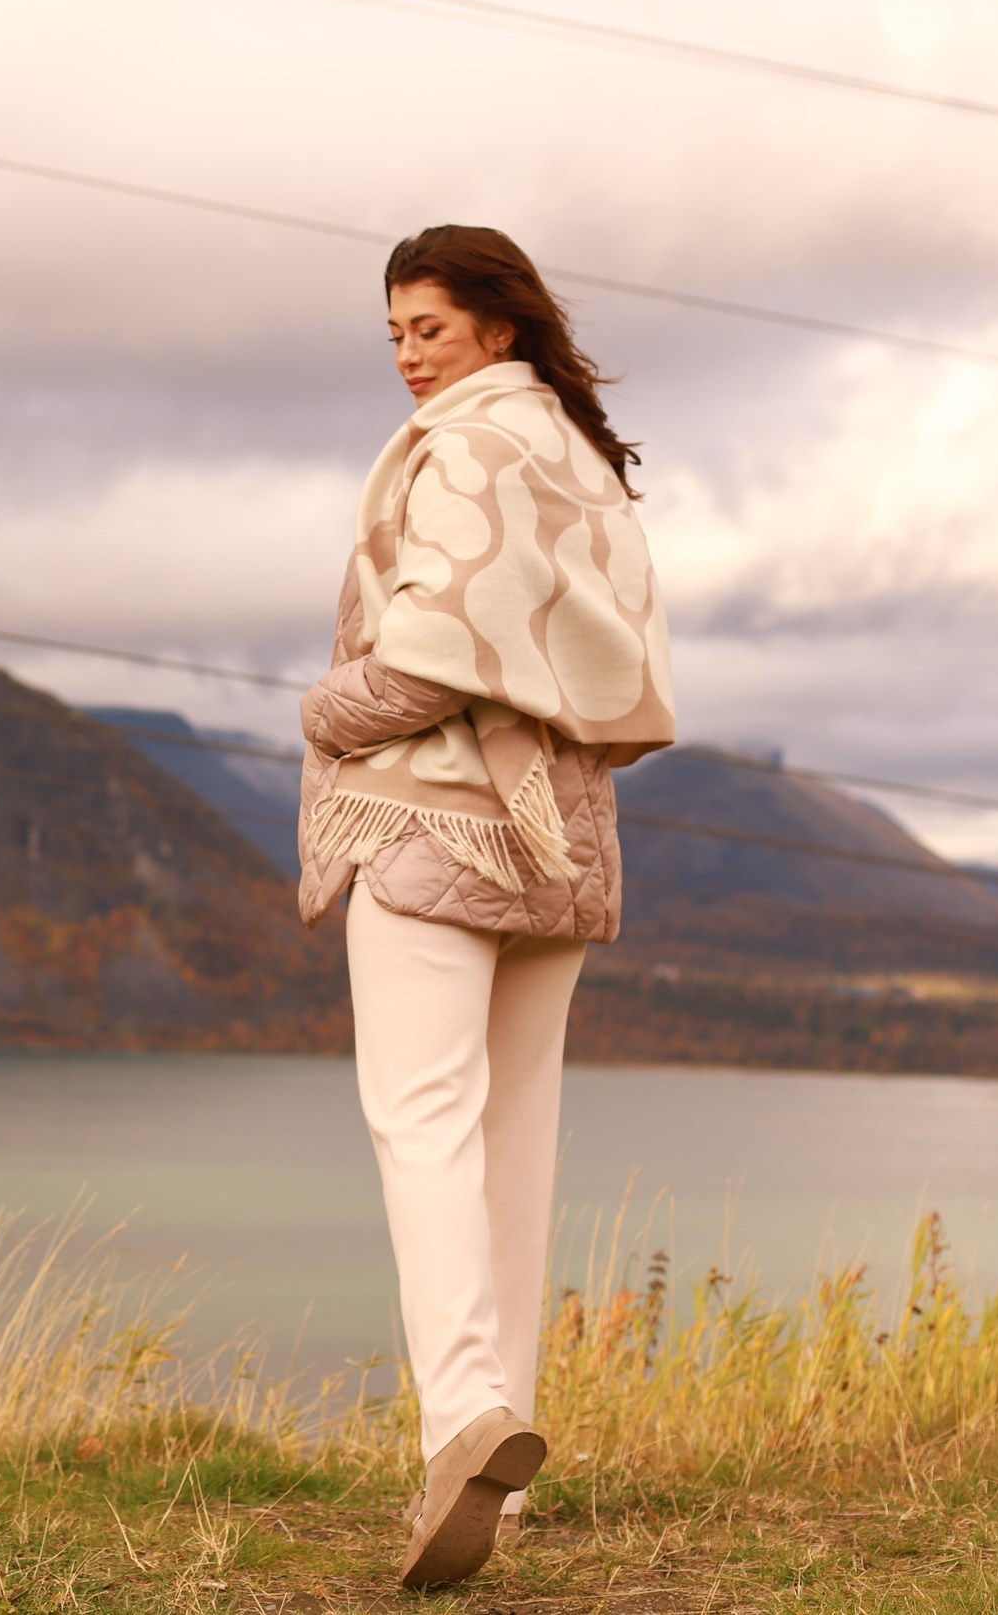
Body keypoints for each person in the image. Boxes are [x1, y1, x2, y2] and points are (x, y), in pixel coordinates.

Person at [297, 223, 676, 1589]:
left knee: (423, 1125)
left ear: (496, 331)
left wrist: (324, 710)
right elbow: (615, 680)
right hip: (560, 838)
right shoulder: (582, 460)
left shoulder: (465, 447)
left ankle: (464, 1426)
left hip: (435, 824)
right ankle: (495, 1488)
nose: (409, 356)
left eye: (432, 329)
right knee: (514, 1142)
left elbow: (428, 658)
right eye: (397, 333)